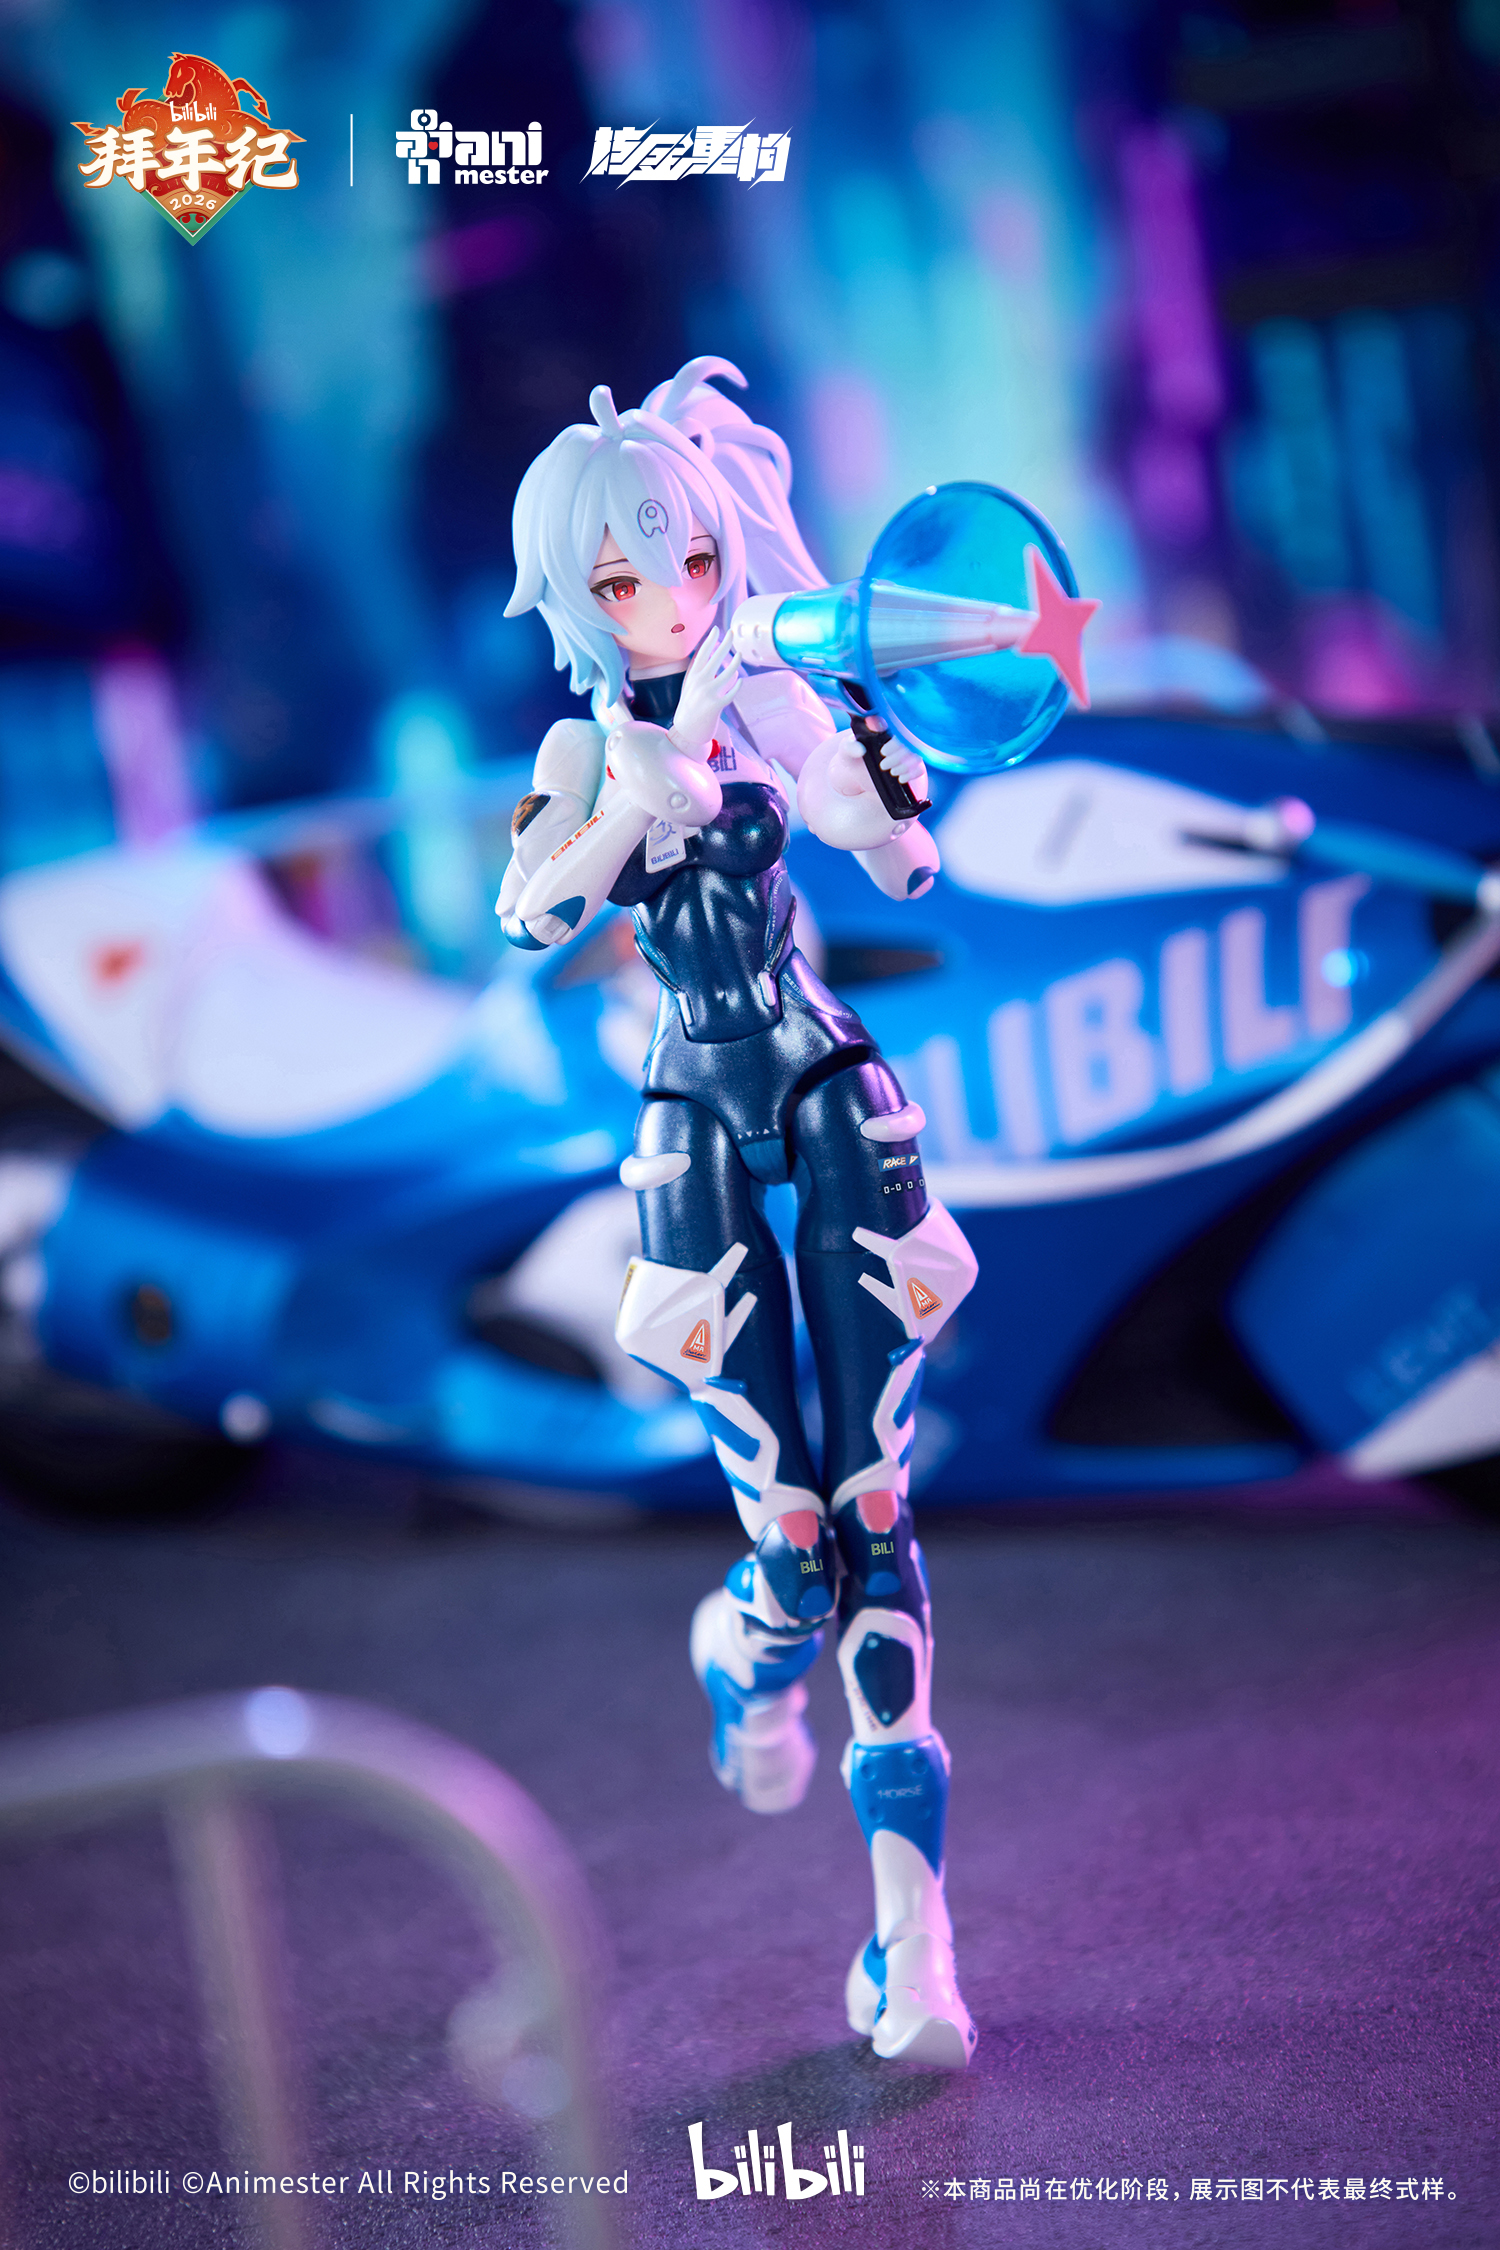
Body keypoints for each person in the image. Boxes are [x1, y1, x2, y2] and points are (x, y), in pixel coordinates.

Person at [498, 358, 978, 2067]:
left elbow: (902, 860)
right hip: (694, 1107)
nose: (671, 596)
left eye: (692, 560)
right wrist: (636, 799)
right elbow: (526, 913)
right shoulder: (586, 739)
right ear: (578, 594)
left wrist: (868, 781)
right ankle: (747, 1650)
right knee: (788, 1538)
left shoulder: (766, 691)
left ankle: (912, 1945)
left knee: (874, 1503)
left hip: (823, 1073)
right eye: (627, 576)